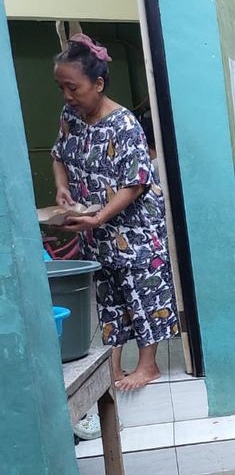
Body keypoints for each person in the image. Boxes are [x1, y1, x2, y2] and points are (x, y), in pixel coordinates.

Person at [52, 34, 178, 391]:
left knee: (143, 292)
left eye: (73, 88)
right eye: (62, 88)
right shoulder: (70, 116)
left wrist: (99, 217)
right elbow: (58, 155)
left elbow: (135, 183)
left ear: (99, 83)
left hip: (135, 230)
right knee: (109, 296)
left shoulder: (124, 125)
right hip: (98, 230)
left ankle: (148, 365)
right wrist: (62, 186)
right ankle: (114, 366)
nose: (67, 96)